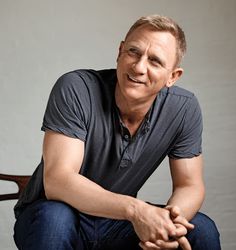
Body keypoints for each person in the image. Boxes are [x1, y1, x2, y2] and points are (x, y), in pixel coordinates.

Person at [13, 14, 221, 250]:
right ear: (120, 51)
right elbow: (58, 180)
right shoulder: (76, 88)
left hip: (116, 223)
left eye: (155, 61)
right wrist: (136, 210)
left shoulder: (184, 108)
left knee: (201, 229)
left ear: (173, 76)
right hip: (51, 214)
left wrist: (167, 225)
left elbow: (189, 185)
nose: (139, 67)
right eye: (133, 52)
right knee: (55, 219)